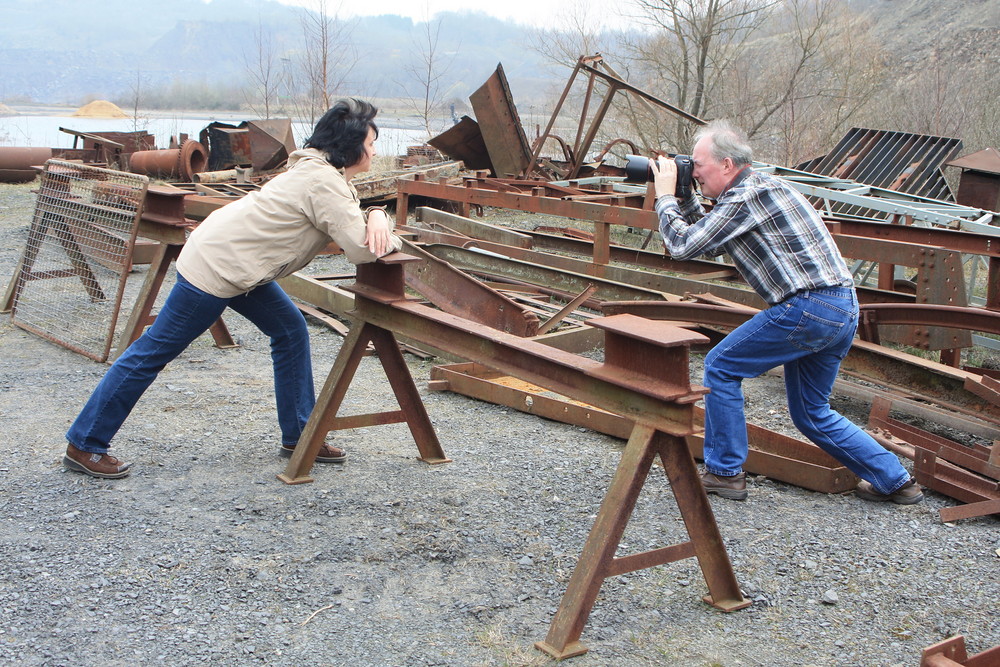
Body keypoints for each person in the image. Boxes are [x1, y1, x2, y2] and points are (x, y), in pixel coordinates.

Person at [63, 98, 402, 479]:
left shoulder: (317, 169)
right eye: (371, 144)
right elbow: (363, 249)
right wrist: (378, 215)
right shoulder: (321, 181)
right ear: (351, 145)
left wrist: (374, 212)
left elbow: (354, 224)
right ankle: (85, 443)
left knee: (290, 331)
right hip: (217, 269)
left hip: (238, 266)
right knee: (152, 352)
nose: (374, 151)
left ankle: (299, 435)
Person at [649, 120, 923, 504]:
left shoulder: (748, 196)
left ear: (726, 165)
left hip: (809, 307)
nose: (692, 171)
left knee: (722, 366)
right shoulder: (754, 191)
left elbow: (681, 245)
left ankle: (725, 473)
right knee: (812, 412)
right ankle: (896, 481)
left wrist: (663, 197)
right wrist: (684, 194)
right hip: (838, 309)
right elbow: (707, 240)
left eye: (697, 164)